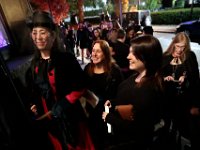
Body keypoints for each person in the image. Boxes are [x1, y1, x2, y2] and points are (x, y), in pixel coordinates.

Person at [25, 10, 94, 150]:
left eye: (42, 32)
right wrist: (34, 105)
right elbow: (35, 92)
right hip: (51, 123)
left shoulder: (66, 59)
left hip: (71, 118)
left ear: (53, 35)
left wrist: (62, 105)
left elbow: (81, 86)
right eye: (34, 32)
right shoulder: (33, 66)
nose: (38, 37)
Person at [102, 35, 164, 150]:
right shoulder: (136, 75)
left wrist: (110, 118)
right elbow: (128, 100)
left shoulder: (149, 90)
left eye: (133, 54)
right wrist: (114, 103)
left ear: (147, 57)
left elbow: (140, 129)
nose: (128, 57)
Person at [161, 32, 200, 149]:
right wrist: (165, 78)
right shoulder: (165, 57)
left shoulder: (190, 56)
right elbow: (157, 77)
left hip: (184, 100)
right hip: (168, 98)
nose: (180, 50)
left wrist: (186, 77)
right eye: (178, 46)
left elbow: (196, 80)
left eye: (183, 47)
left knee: (183, 127)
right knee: (167, 126)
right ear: (173, 44)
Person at [84, 40, 124, 150]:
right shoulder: (88, 69)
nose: (94, 54)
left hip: (108, 114)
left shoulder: (114, 71)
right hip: (91, 113)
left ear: (105, 54)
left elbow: (121, 93)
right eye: (93, 50)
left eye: (98, 51)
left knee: (107, 142)